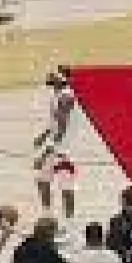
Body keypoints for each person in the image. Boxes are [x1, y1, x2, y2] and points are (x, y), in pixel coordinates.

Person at [33, 69, 76, 221]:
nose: (50, 75)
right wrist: (44, 135)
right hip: (57, 147)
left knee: (65, 187)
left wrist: (45, 153)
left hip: (64, 149)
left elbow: (62, 128)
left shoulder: (65, 97)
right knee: (43, 180)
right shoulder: (58, 95)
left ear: (61, 79)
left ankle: (69, 221)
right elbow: (56, 123)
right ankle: (48, 215)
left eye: (54, 74)